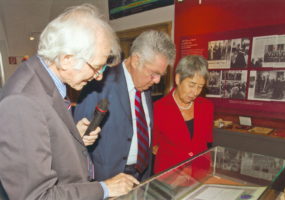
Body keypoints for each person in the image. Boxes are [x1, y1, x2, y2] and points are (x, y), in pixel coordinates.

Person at [0, 4, 139, 200]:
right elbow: (37, 196)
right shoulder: (22, 102)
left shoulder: (45, 78)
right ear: (66, 59)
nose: (98, 77)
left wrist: (72, 139)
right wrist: (104, 188)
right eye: (96, 67)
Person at [74, 30, 176, 182]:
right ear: (136, 60)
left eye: (161, 75)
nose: (156, 81)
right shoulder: (98, 84)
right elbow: (77, 142)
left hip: (142, 176)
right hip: (108, 179)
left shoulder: (145, 84)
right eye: (154, 74)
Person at [153, 55, 214, 174]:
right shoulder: (159, 108)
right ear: (178, 79)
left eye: (200, 87)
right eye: (191, 85)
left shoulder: (206, 107)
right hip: (170, 176)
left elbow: (207, 141)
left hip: (200, 172)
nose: (195, 92)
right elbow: (154, 147)